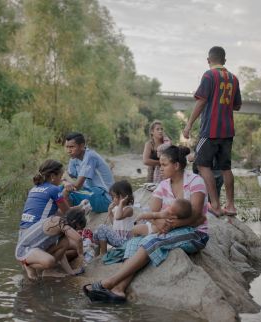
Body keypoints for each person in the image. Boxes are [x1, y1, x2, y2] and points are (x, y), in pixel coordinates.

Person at [83, 145, 209, 303]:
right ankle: (119, 290)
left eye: (164, 165)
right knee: (134, 242)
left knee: (152, 240)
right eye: (160, 164)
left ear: (176, 165)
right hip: (167, 230)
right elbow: (152, 214)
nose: (160, 168)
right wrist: (161, 221)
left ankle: (109, 282)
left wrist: (169, 225)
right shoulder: (163, 185)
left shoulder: (195, 181)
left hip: (195, 233)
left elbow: (196, 216)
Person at [183, 46, 241, 217]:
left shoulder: (209, 75)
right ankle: (230, 206)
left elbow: (201, 101)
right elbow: (237, 105)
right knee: (225, 167)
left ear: (209, 60)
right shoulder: (234, 78)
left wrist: (189, 124)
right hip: (228, 130)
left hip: (210, 130)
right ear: (224, 60)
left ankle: (215, 205)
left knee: (202, 164)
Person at [15, 159, 87, 280]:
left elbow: (57, 212)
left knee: (64, 241)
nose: (61, 179)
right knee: (73, 246)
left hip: (24, 236)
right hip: (36, 235)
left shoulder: (35, 188)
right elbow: (68, 213)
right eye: (60, 176)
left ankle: (41, 265)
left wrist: (63, 184)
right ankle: (46, 268)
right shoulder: (54, 190)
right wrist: (81, 208)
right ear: (53, 176)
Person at [65, 132, 115, 213]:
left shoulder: (90, 156)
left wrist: (66, 177)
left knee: (67, 193)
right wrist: (66, 181)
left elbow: (77, 185)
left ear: (81, 146)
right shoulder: (74, 158)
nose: (68, 151)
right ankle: (68, 216)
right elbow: (66, 178)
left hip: (106, 198)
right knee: (61, 189)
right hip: (92, 192)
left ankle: (70, 217)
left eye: (71, 147)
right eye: (67, 147)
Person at [93, 180, 135, 255]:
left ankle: (103, 253)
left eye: (116, 197)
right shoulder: (117, 208)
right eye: (113, 197)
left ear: (124, 196)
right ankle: (97, 253)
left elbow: (118, 217)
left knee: (102, 227)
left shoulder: (129, 209)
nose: (114, 199)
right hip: (118, 238)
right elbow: (114, 223)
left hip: (125, 241)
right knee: (97, 232)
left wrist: (121, 203)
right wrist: (110, 211)